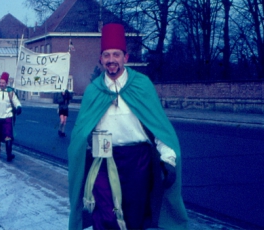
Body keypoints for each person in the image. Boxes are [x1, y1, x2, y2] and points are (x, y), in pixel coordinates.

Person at [68, 23, 189, 230]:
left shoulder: (142, 85)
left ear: (126, 58)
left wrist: (168, 160)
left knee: (134, 218)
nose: (111, 60)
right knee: (105, 216)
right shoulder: (93, 91)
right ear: (101, 60)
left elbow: (159, 128)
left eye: (116, 55)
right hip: (103, 161)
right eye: (106, 55)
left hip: (137, 163)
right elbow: (81, 134)